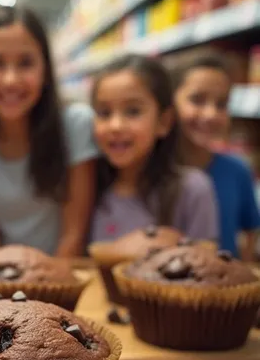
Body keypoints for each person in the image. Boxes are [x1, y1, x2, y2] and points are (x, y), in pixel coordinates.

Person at [0, 4, 99, 256]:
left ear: (45, 71)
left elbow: (73, 236)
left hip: (63, 282)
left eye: (26, 63)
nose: (11, 80)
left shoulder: (75, 126)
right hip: (0, 282)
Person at [90, 54, 218, 242]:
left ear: (164, 122)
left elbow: (206, 263)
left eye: (133, 111)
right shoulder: (90, 186)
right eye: (104, 113)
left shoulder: (193, 190)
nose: (115, 125)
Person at [173, 53, 260, 259]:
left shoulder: (238, 170)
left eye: (221, 104)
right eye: (197, 100)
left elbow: (250, 232)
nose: (211, 114)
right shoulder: (154, 171)